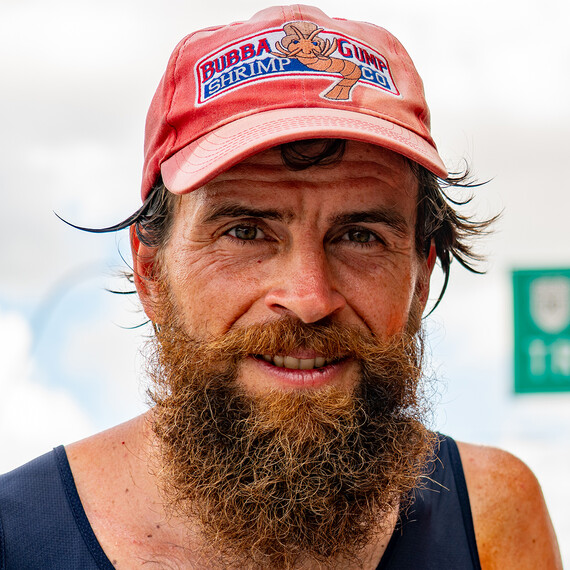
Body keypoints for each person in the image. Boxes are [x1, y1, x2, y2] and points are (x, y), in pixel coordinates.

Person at [0, 5, 562, 569]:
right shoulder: (17, 537)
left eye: (360, 236)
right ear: (152, 274)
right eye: (245, 232)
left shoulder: (493, 520)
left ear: (420, 280)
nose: (309, 298)